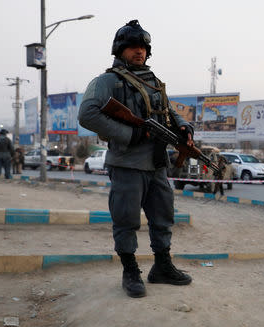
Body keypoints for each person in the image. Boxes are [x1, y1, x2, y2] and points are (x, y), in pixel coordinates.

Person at [78, 19, 194, 298]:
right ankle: (130, 271)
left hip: (156, 164)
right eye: (132, 47)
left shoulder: (154, 82)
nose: (138, 51)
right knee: (126, 219)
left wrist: (183, 126)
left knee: (163, 216)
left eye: (142, 47)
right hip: (127, 163)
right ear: (120, 50)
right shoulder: (107, 81)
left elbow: (167, 112)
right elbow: (87, 115)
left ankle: (162, 267)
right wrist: (130, 135)